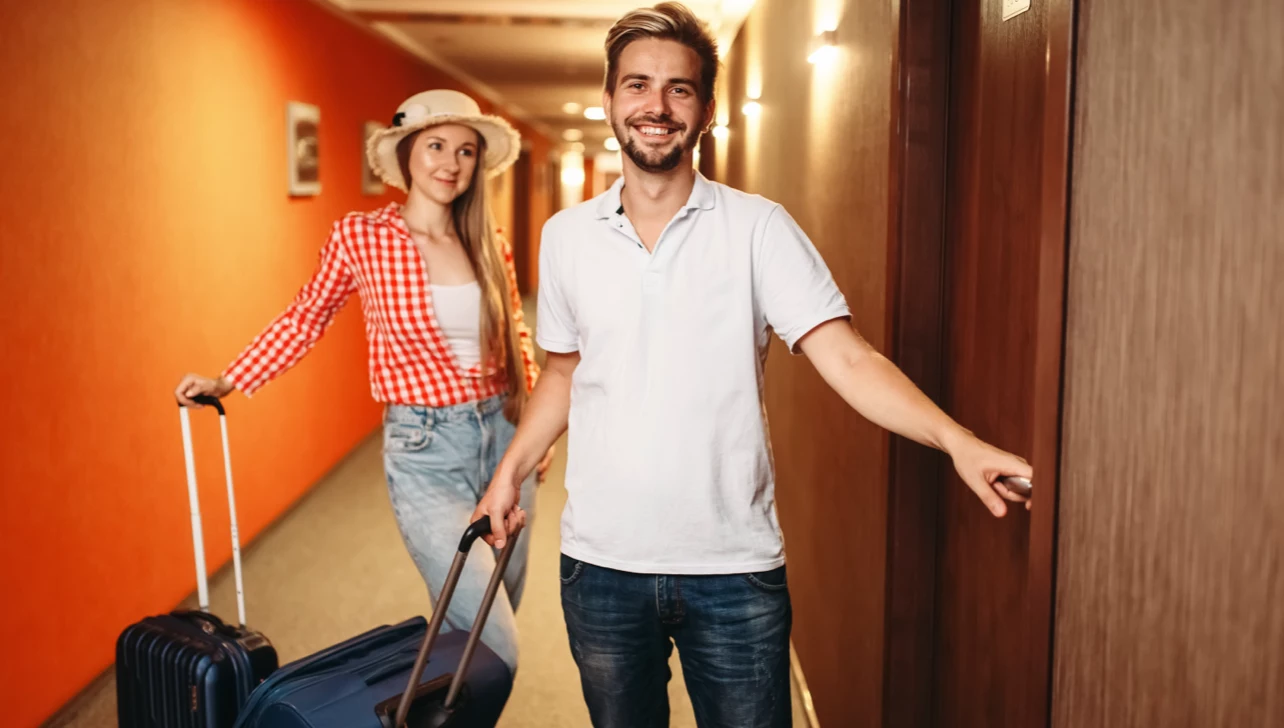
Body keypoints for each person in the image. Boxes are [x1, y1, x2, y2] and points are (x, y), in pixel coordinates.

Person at [472, 3, 1035, 726]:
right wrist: (508, 472)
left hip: (733, 568)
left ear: (705, 108)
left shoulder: (758, 228)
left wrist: (956, 440)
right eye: (638, 84)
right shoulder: (567, 237)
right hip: (601, 564)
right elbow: (562, 372)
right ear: (611, 99)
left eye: (679, 88)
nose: (657, 105)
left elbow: (848, 358)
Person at [175, 89, 552, 681]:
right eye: (435, 146)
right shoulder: (362, 237)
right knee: (490, 638)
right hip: (426, 452)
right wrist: (230, 378)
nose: (450, 163)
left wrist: (534, 433)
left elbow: (516, 335)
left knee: (474, 633)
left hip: (506, 443)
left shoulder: (487, 239)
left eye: (465, 151)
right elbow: (307, 315)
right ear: (405, 154)